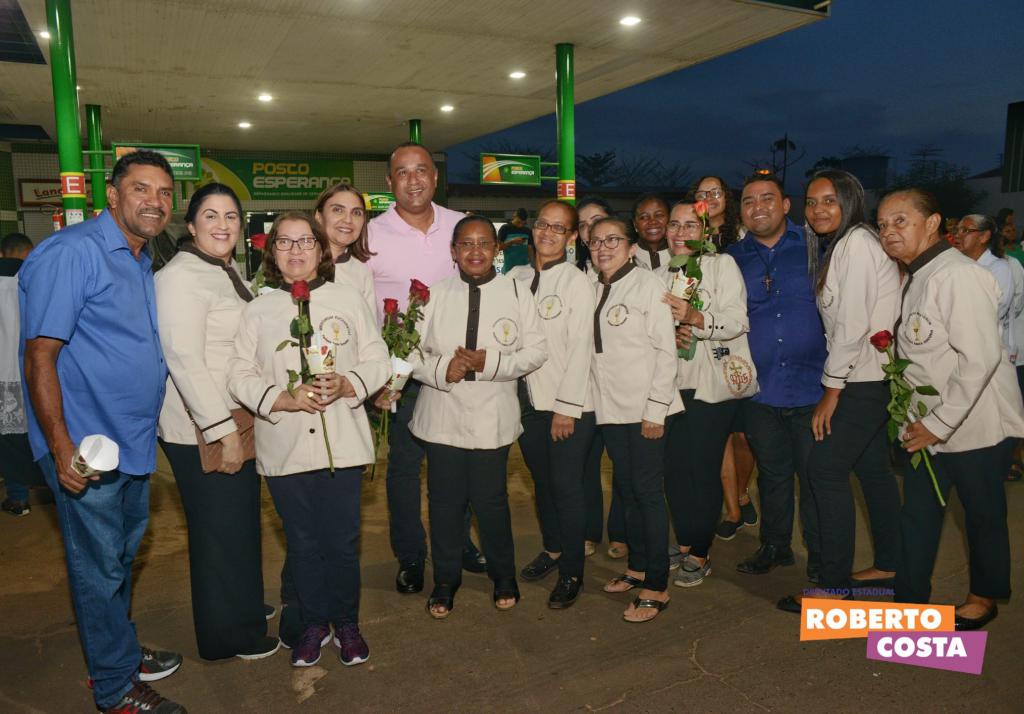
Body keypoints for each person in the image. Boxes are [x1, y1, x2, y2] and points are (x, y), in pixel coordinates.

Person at [19, 150, 185, 713]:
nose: (154, 202)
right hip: (86, 447)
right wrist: (62, 446)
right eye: (141, 189)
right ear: (111, 196)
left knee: (117, 558)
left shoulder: (140, 258)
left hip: (131, 443)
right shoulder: (73, 253)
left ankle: (120, 648)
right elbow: (40, 354)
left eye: (164, 193)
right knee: (96, 566)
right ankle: (114, 688)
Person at [229, 211, 389, 666]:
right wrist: (280, 398)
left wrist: (350, 382)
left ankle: (348, 624)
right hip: (286, 446)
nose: (296, 251)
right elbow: (238, 372)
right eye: (285, 242)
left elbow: (379, 356)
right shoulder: (257, 308)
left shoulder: (348, 299)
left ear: (321, 251)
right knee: (302, 543)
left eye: (306, 242)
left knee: (341, 541)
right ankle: (315, 623)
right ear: (271, 253)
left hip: (343, 441)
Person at [879, 188, 1024, 631]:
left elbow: (980, 358)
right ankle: (909, 598)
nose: (889, 232)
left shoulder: (956, 276)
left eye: (900, 221)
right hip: (929, 424)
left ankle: (983, 596)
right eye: (882, 224)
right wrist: (913, 417)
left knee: (981, 514)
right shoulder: (920, 273)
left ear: (932, 223)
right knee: (918, 512)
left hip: (977, 424)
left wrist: (938, 425)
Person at [155, 183, 277, 660]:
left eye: (231, 215)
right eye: (211, 215)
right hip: (203, 424)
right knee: (219, 531)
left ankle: (242, 604)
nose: (223, 224)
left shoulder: (225, 269)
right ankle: (228, 637)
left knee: (239, 523)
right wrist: (220, 431)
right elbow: (183, 359)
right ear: (190, 225)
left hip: (235, 415)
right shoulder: (180, 277)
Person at [408, 215, 546, 618]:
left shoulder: (518, 295)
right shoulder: (430, 296)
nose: (475, 251)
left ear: (496, 250)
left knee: (492, 502)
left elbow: (536, 351)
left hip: (493, 416)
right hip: (441, 413)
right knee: (444, 503)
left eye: (484, 243)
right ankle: (446, 579)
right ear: (453, 251)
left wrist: (491, 362)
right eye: (466, 244)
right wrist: (439, 371)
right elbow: (407, 352)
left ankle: (504, 576)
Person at [776, 170, 902, 613]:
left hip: (861, 380)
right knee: (873, 472)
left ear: (850, 201)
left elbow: (851, 328)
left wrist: (831, 391)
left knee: (825, 470)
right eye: (811, 202)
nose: (818, 210)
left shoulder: (857, 245)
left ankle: (832, 587)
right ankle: (889, 565)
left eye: (829, 200)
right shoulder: (843, 246)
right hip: (865, 376)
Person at [366, 141, 484, 594]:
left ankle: (459, 544)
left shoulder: (461, 227)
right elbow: (361, 310)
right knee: (404, 471)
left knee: (458, 466)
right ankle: (411, 555)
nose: (412, 180)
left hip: (458, 367)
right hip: (401, 374)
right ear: (390, 181)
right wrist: (375, 376)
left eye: (421, 171)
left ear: (435, 177)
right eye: (402, 172)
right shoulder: (371, 236)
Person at [726, 174, 823, 579]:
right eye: (749, 201)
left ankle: (823, 561)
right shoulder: (731, 257)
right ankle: (775, 545)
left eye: (768, 198)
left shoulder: (816, 247)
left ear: (787, 204)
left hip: (815, 388)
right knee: (773, 474)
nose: (758, 207)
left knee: (818, 480)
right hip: (760, 389)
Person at [658, 199, 755, 588]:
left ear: (706, 231)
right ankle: (683, 542)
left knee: (701, 468)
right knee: (674, 469)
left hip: (709, 383)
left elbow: (737, 320)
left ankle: (700, 550)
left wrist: (695, 319)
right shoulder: (657, 271)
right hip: (667, 383)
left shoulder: (721, 266)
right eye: (674, 225)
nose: (680, 233)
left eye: (689, 225)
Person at [590, 216, 682, 622]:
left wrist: (655, 409)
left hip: (648, 411)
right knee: (626, 490)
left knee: (647, 493)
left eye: (612, 239)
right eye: (595, 241)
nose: (603, 247)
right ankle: (638, 567)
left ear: (631, 246)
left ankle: (658, 585)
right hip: (611, 410)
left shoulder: (648, 286)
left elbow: (666, 351)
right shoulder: (594, 287)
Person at [507, 200, 596, 608]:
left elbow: (582, 350)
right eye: (542, 224)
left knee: (566, 487)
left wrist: (566, 407)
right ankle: (555, 548)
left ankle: (573, 570)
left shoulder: (577, 282)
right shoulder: (515, 277)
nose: (547, 233)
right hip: (525, 403)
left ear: (572, 237)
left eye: (559, 229)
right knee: (543, 483)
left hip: (565, 405)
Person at [691, 176, 758, 537]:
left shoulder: (744, 236)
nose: (708, 199)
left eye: (714, 192)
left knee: (744, 437)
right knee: (719, 435)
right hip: (705, 341)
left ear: (726, 198)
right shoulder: (690, 239)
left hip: (743, 338)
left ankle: (742, 492)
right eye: (701, 194)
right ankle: (731, 507)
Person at [574, 195, 628, 559]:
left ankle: (621, 532)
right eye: (583, 226)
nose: (592, 230)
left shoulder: (631, 277)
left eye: (599, 223)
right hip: (584, 390)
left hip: (622, 390)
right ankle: (589, 529)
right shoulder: (576, 277)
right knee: (586, 465)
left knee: (624, 466)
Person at [1, 232, 45, 517]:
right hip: (33, 372)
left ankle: (18, 499)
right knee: (38, 433)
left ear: (3, 254)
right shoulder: (36, 282)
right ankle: (52, 489)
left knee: (8, 440)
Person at [953, 215, 1016, 353]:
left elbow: (996, 310)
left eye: (965, 230)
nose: (957, 235)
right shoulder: (956, 266)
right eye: (956, 230)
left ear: (983, 237)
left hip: (989, 347)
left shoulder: (998, 268)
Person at [314, 182, 376, 315]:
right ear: (319, 217)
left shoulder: (362, 273)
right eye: (338, 210)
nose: (348, 220)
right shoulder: (295, 261)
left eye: (356, 212)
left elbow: (369, 331)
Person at [632, 194, 670, 270]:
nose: (652, 221)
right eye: (644, 217)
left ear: (670, 219)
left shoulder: (681, 254)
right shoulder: (625, 256)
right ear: (635, 224)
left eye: (659, 215)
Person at [499, 207, 531, 274]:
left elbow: (530, 250)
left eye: (523, 223)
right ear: (514, 216)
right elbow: (498, 247)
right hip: (509, 270)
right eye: (518, 222)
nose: (520, 225)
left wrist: (533, 265)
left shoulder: (527, 231)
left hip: (525, 270)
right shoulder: (505, 229)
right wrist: (512, 242)